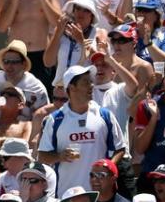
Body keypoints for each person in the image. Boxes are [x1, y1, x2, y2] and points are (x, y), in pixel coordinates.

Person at [37, 65, 126, 194]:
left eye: (91, 81)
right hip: (67, 195)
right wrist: (60, 156)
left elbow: (120, 149)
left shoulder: (104, 115)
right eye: (85, 82)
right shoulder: (55, 120)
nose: (91, 85)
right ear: (71, 88)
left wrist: (107, 168)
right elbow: (43, 156)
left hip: (100, 195)